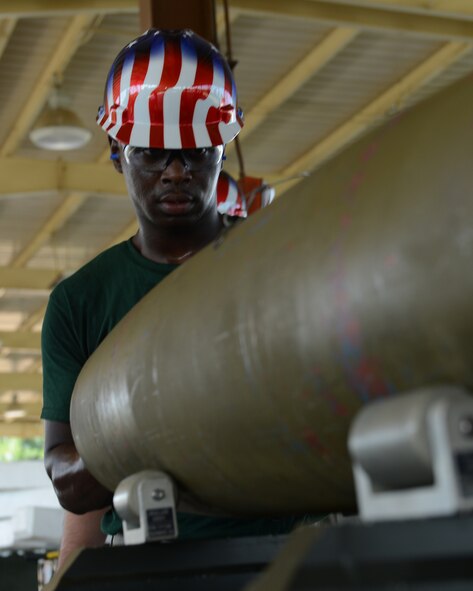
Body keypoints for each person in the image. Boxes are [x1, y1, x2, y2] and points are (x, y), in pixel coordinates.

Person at [41, 29, 307, 570]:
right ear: (118, 155)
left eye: (196, 151)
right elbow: (67, 480)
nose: (178, 171)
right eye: (154, 154)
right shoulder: (81, 301)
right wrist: (155, 427)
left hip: (282, 559)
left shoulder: (280, 259)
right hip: (148, 563)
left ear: (221, 149)